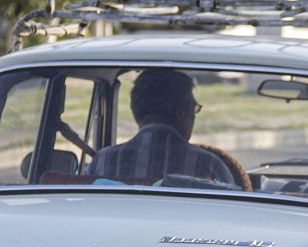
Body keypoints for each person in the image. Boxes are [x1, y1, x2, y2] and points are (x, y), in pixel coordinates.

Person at [88, 69, 235, 184]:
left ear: (135, 110)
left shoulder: (103, 160)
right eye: (194, 109)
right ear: (182, 112)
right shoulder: (209, 165)